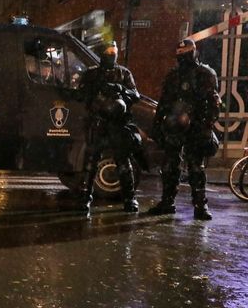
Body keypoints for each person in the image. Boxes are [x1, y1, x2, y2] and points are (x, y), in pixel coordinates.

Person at [149, 38, 221, 220]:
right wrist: (157, 124)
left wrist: (207, 125)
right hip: (175, 125)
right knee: (170, 166)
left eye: (185, 53)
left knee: (196, 167)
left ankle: (200, 205)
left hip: (196, 127)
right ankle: (167, 202)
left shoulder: (205, 74)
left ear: (193, 52)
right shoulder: (173, 75)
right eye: (179, 54)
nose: (182, 58)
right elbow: (164, 102)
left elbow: (213, 103)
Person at [74, 41, 143, 215]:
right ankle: (85, 199)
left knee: (123, 162)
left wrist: (120, 89)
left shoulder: (123, 73)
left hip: (118, 124)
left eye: (115, 52)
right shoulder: (92, 74)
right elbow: (80, 95)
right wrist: (96, 91)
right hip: (98, 122)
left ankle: (129, 198)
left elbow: (135, 95)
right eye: (109, 52)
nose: (112, 55)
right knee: (91, 162)